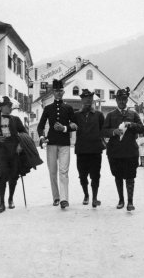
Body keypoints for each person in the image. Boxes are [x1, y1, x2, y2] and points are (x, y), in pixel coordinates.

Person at [102, 87, 144, 210]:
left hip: (130, 151)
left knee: (130, 176)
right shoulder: (110, 115)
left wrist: (132, 124)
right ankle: (121, 200)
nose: (122, 101)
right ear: (116, 100)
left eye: (124, 99)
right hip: (115, 152)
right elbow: (103, 131)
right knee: (118, 176)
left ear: (127, 100)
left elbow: (142, 129)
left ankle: (130, 202)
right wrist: (113, 131)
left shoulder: (133, 114)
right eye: (119, 99)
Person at [37, 79, 77, 209]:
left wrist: (65, 128)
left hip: (65, 143)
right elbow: (40, 126)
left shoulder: (69, 108)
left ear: (63, 92)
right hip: (51, 143)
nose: (58, 93)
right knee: (53, 172)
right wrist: (42, 137)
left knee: (64, 171)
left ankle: (64, 199)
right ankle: (56, 197)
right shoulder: (48, 108)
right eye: (56, 91)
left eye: (60, 91)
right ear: (53, 92)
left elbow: (75, 125)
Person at [0, 96, 27, 213]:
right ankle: (1, 203)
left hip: (15, 152)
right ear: (2, 108)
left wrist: (21, 144)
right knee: (2, 176)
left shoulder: (16, 120)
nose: (9, 108)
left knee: (14, 177)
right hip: (2, 153)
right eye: (7, 106)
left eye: (10, 106)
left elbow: (24, 133)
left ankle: (10, 199)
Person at [74, 89, 105, 208]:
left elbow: (103, 130)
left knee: (95, 175)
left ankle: (95, 197)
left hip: (95, 150)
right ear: (81, 100)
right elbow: (71, 126)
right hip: (81, 150)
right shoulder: (76, 115)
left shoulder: (99, 115)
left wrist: (104, 143)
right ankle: (86, 195)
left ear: (92, 100)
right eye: (85, 99)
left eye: (90, 99)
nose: (87, 101)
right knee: (82, 176)